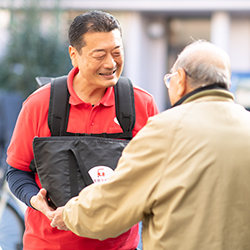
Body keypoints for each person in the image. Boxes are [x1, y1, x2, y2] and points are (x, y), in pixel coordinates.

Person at [50, 40, 250, 250]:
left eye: (169, 79)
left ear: (180, 79)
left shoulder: (165, 130)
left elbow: (112, 206)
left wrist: (68, 213)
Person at [6, 10, 159, 250]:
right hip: (48, 244)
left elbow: (155, 176)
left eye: (117, 52)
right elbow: (16, 171)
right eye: (99, 55)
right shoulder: (39, 104)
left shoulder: (142, 104)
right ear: (73, 55)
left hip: (119, 246)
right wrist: (35, 201)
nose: (111, 64)